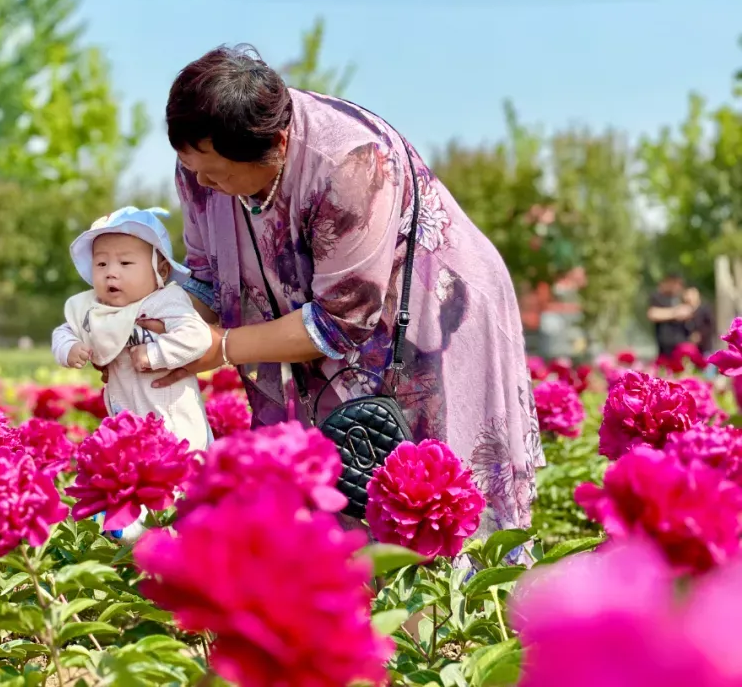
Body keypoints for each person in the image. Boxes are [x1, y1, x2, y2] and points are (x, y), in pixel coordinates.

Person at [145, 45, 545, 538]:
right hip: (319, 322)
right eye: (191, 165)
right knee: (326, 498)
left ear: (277, 144)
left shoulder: (349, 163)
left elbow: (340, 321)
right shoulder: (202, 162)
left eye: (218, 172)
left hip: (429, 315)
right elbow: (207, 279)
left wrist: (221, 347)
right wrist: (151, 330)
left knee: (429, 498)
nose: (202, 182)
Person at [51, 206, 214, 453]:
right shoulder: (94, 308)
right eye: (101, 263)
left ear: (161, 271)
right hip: (126, 421)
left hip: (174, 422)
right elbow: (64, 331)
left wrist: (155, 353)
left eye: (125, 262)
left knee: (183, 468)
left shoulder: (165, 302)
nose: (111, 273)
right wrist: (69, 347)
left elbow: (197, 336)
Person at [646, 272, 693, 360]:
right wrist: (675, 313)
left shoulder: (681, 298)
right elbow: (653, 314)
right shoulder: (658, 297)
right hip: (665, 344)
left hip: (682, 343)